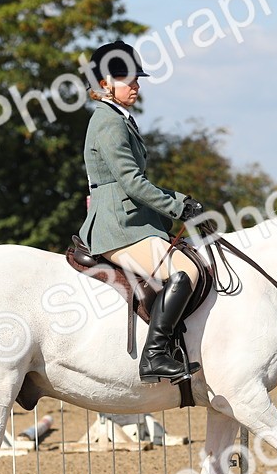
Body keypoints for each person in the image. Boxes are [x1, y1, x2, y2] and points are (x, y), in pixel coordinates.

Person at [78, 40, 203, 384]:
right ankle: (155, 355)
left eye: (136, 77)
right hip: (119, 225)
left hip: (130, 220)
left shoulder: (119, 118)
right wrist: (178, 207)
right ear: (104, 84)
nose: (136, 84)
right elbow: (132, 183)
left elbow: (137, 182)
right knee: (184, 272)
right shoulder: (108, 122)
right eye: (127, 78)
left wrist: (184, 201)